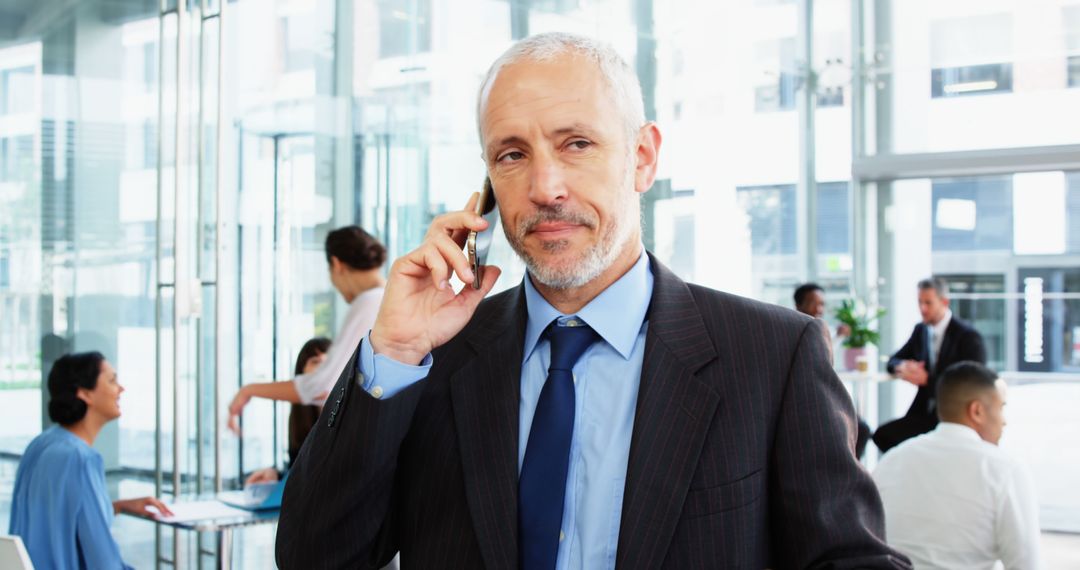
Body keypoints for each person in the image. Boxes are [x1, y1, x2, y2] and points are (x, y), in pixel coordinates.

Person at [277, 32, 909, 569]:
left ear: (641, 157)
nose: (546, 187)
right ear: (487, 187)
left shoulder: (775, 355)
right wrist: (393, 351)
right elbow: (315, 557)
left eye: (576, 143)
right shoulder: (432, 357)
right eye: (512, 154)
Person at [8, 352, 173, 569]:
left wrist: (117, 506)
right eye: (112, 380)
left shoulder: (40, 445)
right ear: (85, 393)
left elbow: (57, 515)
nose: (121, 389)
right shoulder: (81, 459)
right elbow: (103, 561)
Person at [873, 361, 1041, 569]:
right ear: (977, 411)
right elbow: (1026, 564)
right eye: (1001, 408)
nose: (1004, 421)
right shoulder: (1004, 469)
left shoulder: (893, 459)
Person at [227, 226, 386, 433]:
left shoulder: (370, 302)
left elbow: (321, 385)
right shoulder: (385, 296)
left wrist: (249, 390)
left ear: (336, 264)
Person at [873, 277, 987, 453]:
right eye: (919, 302)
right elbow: (893, 360)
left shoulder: (968, 336)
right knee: (883, 435)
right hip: (924, 412)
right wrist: (903, 366)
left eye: (928, 303)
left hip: (954, 416)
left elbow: (974, 384)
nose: (922, 308)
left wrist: (928, 380)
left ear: (944, 302)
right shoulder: (921, 331)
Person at [793, 282, 871, 459]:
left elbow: (823, 357)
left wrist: (838, 337)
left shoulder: (818, 330)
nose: (819, 309)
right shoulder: (794, 331)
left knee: (861, 429)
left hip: (823, 399)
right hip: (809, 404)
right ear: (799, 305)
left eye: (822, 304)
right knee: (859, 429)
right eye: (815, 303)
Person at [244, 337, 331, 485]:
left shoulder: (351, 413)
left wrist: (247, 391)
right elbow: (300, 469)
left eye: (330, 363)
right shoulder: (302, 420)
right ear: (301, 374)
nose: (323, 369)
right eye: (315, 362)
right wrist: (276, 475)